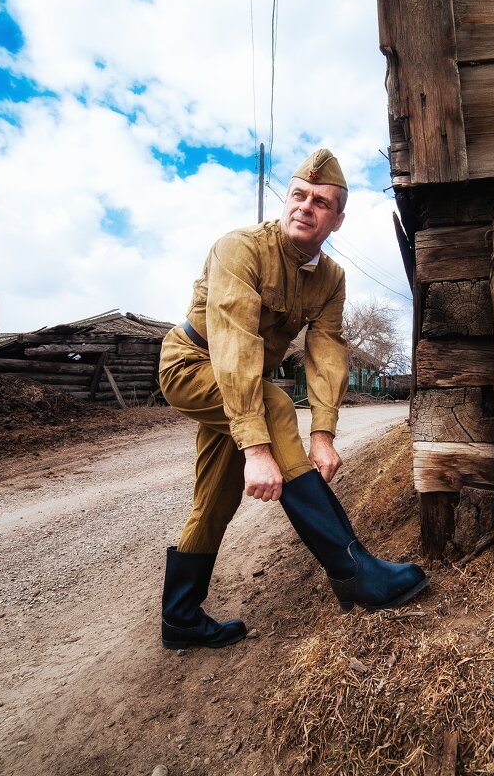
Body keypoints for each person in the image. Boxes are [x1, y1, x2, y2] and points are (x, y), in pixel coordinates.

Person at [156, 148, 428, 649]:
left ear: (337, 219)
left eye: (321, 202)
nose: (305, 206)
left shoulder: (332, 280)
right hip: (193, 364)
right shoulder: (239, 248)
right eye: (298, 196)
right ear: (285, 203)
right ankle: (352, 570)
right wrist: (258, 450)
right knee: (277, 405)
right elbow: (235, 342)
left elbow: (326, 353)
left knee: (216, 497)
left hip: (240, 385)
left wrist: (322, 435)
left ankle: (180, 617)